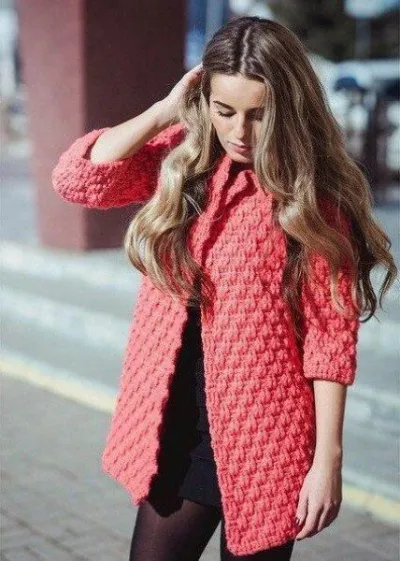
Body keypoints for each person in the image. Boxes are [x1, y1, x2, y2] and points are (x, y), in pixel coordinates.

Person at [51, 16, 397, 561]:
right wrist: (166, 109)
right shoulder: (183, 162)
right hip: (177, 428)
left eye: (259, 114)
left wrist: (326, 461)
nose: (240, 131)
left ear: (288, 106)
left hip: (265, 436)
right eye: (225, 110)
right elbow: (77, 178)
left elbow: (330, 340)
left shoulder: (313, 199)